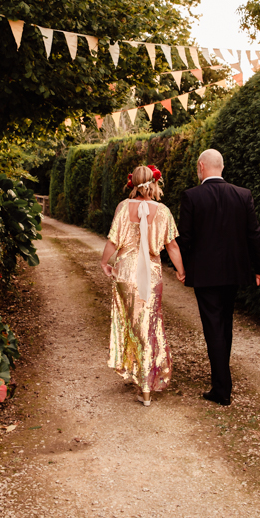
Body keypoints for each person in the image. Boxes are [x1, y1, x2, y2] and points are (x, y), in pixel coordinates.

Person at [177, 149, 260, 407]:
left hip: (205, 275)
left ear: (201, 166)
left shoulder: (191, 196)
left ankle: (222, 388)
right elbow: (254, 234)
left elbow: (185, 238)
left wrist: (181, 268)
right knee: (225, 324)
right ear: (222, 167)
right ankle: (222, 382)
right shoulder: (243, 195)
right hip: (233, 273)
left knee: (213, 327)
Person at [100, 165, 186, 406]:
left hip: (126, 273)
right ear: (153, 183)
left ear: (132, 184)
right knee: (149, 325)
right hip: (152, 274)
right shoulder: (164, 211)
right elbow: (173, 247)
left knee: (132, 324)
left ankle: (139, 376)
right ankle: (147, 385)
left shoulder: (122, 207)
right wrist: (181, 272)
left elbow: (113, 241)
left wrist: (104, 263)